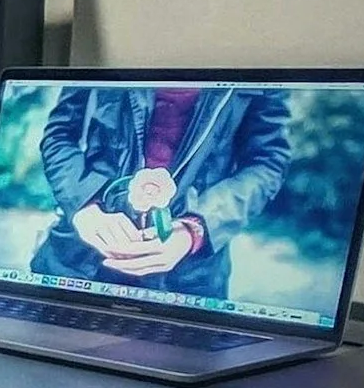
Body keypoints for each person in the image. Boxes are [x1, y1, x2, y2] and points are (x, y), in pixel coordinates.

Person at [31, 84, 292, 300]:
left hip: (188, 285)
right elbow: (60, 134)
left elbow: (267, 163)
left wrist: (196, 229)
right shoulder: (106, 52)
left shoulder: (260, 67)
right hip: (76, 265)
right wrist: (84, 207)